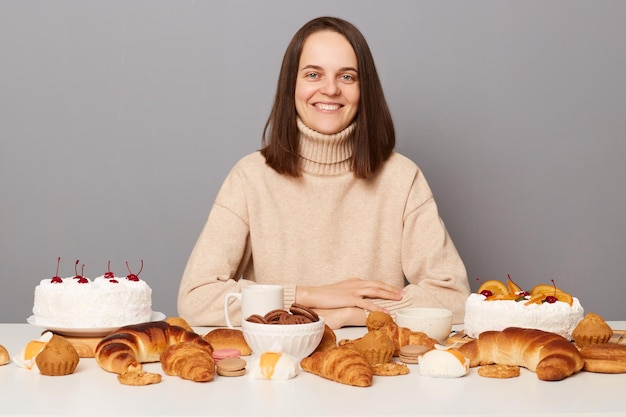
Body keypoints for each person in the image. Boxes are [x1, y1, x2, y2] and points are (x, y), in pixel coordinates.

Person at [177, 16, 470, 329]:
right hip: (274, 367)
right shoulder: (250, 177)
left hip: (378, 368)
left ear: (364, 89)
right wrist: (309, 296)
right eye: (313, 74)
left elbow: (454, 299)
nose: (330, 89)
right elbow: (196, 299)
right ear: (292, 84)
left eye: (347, 77)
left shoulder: (402, 177)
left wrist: (353, 315)